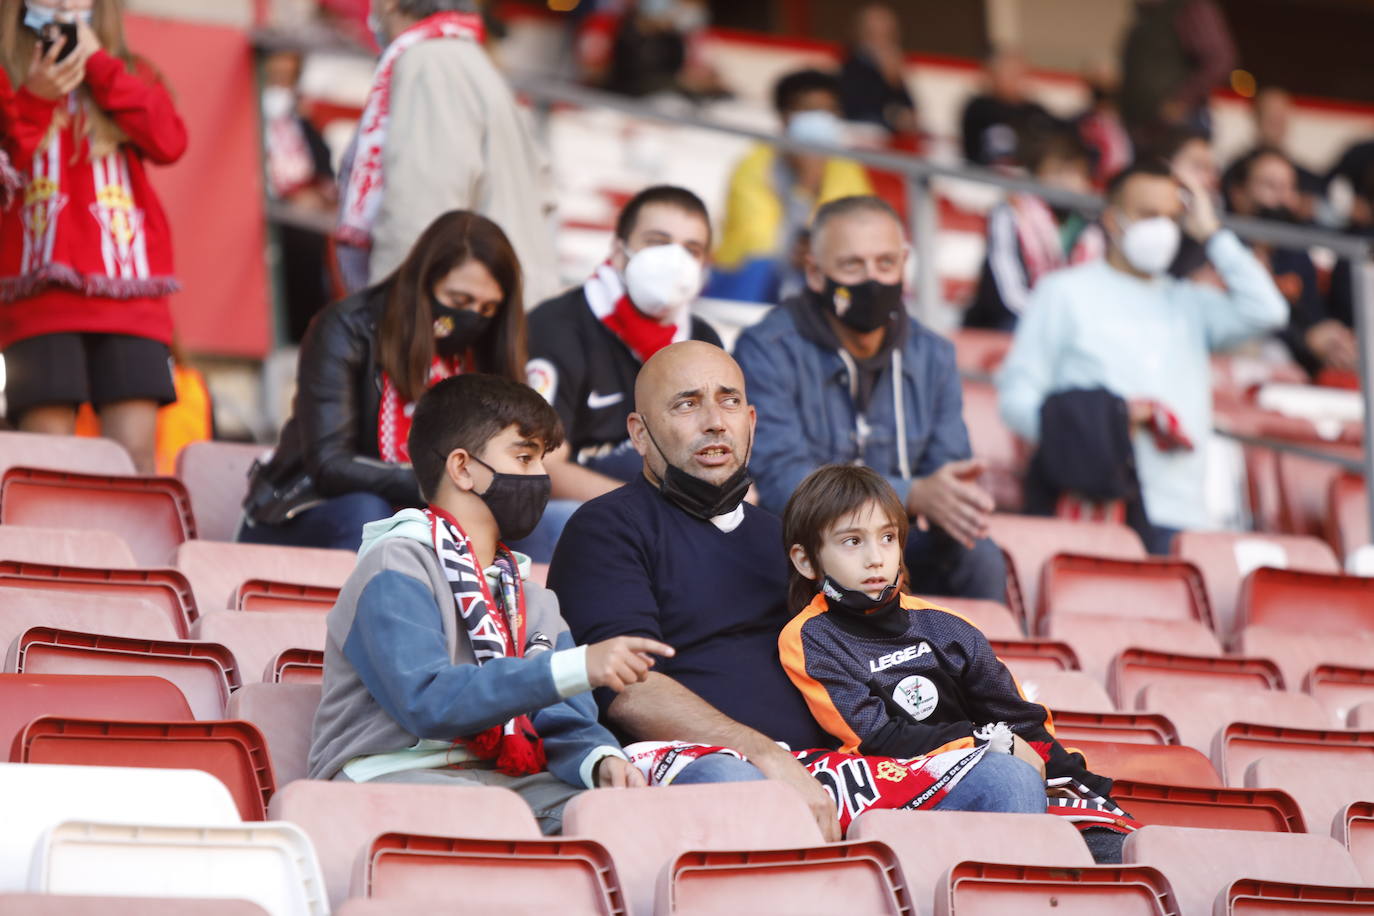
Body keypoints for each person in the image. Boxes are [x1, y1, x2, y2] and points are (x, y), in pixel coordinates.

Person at [307, 372, 679, 834]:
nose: (541, 478)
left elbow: (564, 719)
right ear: (462, 468)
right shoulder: (394, 563)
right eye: (524, 458)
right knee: (498, 823)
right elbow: (427, 700)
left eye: (542, 461)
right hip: (385, 777)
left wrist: (600, 761)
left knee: (628, 819)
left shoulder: (531, 595)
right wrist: (576, 667)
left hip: (502, 784)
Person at [550, 340, 843, 841]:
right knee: (735, 783)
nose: (714, 421)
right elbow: (627, 692)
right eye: (687, 404)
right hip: (692, 764)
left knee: (996, 778)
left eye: (729, 401)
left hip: (820, 765)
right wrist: (764, 753)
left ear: (750, 419)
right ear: (639, 435)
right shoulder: (606, 528)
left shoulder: (788, 538)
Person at [778, 464, 1131, 857]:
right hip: (896, 790)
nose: (875, 558)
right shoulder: (810, 637)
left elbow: (1019, 720)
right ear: (806, 561)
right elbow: (874, 737)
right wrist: (984, 742)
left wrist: (1087, 791)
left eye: (888, 538)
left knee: (1120, 846)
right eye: (852, 542)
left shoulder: (947, 628)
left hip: (989, 772)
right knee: (1010, 778)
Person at [997, 163, 1288, 554]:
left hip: (1183, 513)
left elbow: (1268, 311)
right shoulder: (1063, 292)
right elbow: (1017, 399)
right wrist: (1094, 430)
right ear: (1111, 220)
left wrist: (1213, 233)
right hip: (1094, 510)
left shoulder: (1189, 301)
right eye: (1148, 215)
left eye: (1172, 217)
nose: (1163, 229)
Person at [734, 196, 1007, 601]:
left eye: (885, 264)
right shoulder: (767, 348)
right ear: (814, 272)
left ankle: (971, 661)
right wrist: (911, 493)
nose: (872, 280)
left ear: (903, 263)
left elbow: (948, 473)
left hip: (894, 545)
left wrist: (951, 495)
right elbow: (778, 478)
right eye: (852, 266)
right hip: (805, 550)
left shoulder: (933, 354)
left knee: (978, 555)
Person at [241, 210, 528, 551]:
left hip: (428, 519)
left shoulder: (483, 349)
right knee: (375, 518)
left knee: (543, 525)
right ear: (423, 284)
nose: (471, 319)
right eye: (459, 301)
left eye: (488, 309)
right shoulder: (348, 328)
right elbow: (330, 464)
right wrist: (442, 484)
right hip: (308, 509)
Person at [0, 0, 187, 473]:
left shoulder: (131, 70)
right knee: (47, 460)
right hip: (39, 295)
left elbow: (169, 141)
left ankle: (130, 548)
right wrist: (37, 97)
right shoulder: (7, 72)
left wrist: (101, 65)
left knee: (134, 459)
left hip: (129, 293)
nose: (64, 3)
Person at [525, 185, 721, 546]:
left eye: (691, 250)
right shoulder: (555, 326)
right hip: (576, 512)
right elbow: (540, 467)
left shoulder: (702, 340)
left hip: (668, 512)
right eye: (658, 242)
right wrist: (650, 510)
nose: (674, 260)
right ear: (618, 251)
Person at [335, 0, 557, 304]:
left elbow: (418, 213)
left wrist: (388, 317)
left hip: (457, 310)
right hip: (492, 304)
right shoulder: (464, 58)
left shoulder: (430, 63)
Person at [707, 68, 873, 304]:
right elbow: (759, 242)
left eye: (829, 110)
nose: (821, 119)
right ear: (785, 116)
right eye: (810, 110)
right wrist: (805, 187)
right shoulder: (753, 166)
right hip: (745, 285)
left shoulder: (846, 167)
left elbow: (861, 235)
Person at [1225, 147, 1352, 377]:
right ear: (1239, 193)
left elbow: (1314, 319)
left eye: (1289, 188)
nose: (1283, 198)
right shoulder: (1223, 250)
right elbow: (1236, 322)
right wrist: (1302, 340)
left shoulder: (1295, 254)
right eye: (1271, 186)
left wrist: (1332, 338)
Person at [964, 129, 1104, 331]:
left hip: (1071, 323)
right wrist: (1051, 321)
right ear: (1037, 175)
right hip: (1014, 319)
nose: (1066, 182)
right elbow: (1009, 293)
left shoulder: (1093, 226)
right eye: (1057, 173)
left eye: (1075, 173)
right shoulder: (1010, 213)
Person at [261, 48, 337, 344]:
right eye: (273, 78)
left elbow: (326, 173)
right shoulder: (249, 124)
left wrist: (318, 194)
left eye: (286, 79)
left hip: (307, 237)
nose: (280, 87)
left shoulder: (303, 125)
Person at [1118, 0, 1235, 148]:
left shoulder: (1189, 7)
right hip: (1141, 127)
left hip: (1176, 129)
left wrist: (1182, 101)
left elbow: (1219, 60)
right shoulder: (1145, 15)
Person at [1220, 88, 1322, 223]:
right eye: (1270, 117)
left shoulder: (1308, 179)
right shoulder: (1235, 172)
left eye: (1281, 117)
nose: (1276, 123)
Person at [960, 48, 1056, 168]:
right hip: (985, 177)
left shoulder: (1033, 110)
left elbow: (1058, 132)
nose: (1017, 80)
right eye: (1009, 73)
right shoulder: (980, 108)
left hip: (1028, 181)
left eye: (1020, 74)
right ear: (993, 75)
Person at [837, 3, 916, 137]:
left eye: (888, 35)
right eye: (874, 34)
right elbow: (860, 113)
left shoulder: (893, 73)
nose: (882, 41)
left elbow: (910, 114)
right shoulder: (852, 68)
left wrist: (894, 81)